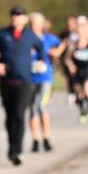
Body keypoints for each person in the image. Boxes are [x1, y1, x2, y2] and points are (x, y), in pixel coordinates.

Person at [0, 6, 45, 165]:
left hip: (25, 81)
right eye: (13, 15)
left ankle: (17, 150)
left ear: (25, 18)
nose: (16, 17)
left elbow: (41, 50)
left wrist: (40, 62)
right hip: (7, 81)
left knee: (19, 115)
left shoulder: (30, 35)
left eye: (19, 15)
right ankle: (11, 145)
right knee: (9, 116)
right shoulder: (3, 34)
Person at [28, 14, 63, 152]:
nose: (34, 26)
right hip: (30, 77)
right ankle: (35, 139)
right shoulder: (26, 38)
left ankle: (46, 137)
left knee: (41, 105)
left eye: (37, 23)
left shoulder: (48, 38)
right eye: (32, 23)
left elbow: (62, 44)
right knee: (32, 108)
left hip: (45, 77)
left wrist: (56, 53)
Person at [65, 16, 88, 123]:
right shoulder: (74, 44)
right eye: (78, 32)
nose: (80, 34)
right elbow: (67, 58)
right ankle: (83, 111)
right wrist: (71, 66)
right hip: (77, 71)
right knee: (79, 94)